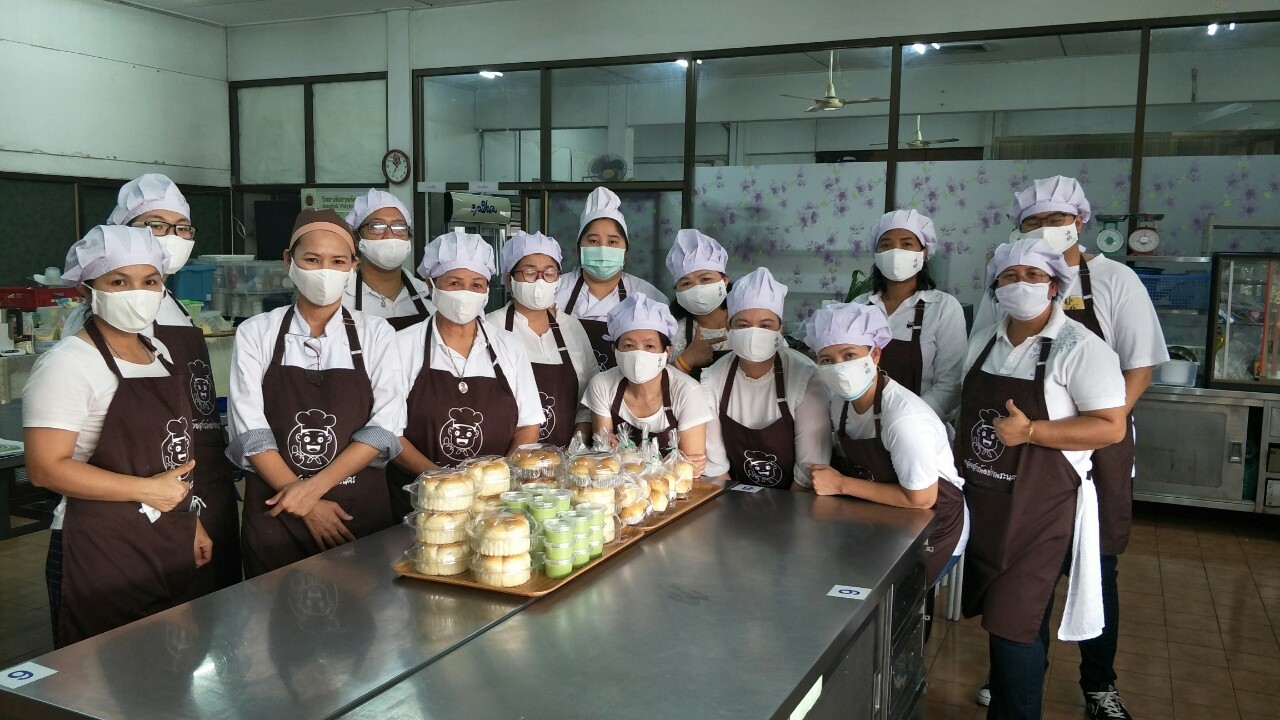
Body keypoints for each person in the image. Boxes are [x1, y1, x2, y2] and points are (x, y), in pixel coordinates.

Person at [999, 176, 1164, 720]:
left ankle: (1099, 683)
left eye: (1055, 219)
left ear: (1080, 221)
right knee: (1024, 564)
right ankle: (1019, 670)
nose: (1045, 229)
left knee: (1095, 567)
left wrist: (1099, 426)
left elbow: (1139, 366)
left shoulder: (1115, 280)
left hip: (1098, 450)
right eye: (1032, 222)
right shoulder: (1011, 288)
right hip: (1023, 448)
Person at [959, 237, 1128, 720]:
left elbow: (1110, 426)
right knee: (1005, 619)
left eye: (1033, 275)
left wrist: (1032, 431)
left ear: (1054, 285)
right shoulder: (984, 340)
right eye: (1009, 276)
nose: (1021, 284)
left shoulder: (1081, 347)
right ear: (996, 288)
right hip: (985, 503)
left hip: (1041, 508)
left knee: (1014, 624)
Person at [25, 225, 210, 646]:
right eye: (119, 282)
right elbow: (44, 469)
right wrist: (146, 491)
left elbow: (170, 456)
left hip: (165, 538)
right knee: (107, 670)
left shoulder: (159, 353)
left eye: (150, 281)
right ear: (87, 290)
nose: (137, 293)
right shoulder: (69, 363)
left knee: (165, 668)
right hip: (100, 547)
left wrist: (190, 522)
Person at [228, 209, 405, 578]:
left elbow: (385, 427)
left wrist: (309, 492)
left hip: (354, 514)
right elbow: (250, 431)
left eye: (337, 261)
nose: (325, 271)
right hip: (279, 514)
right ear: (288, 261)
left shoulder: (377, 334)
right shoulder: (256, 332)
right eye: (312, 259)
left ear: (353, 265)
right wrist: (305, 502)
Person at [106, 174, 242, 594]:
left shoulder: (173, 303)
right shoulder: (114, 311)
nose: (171, 237)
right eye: (155, 225)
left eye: (182, 227)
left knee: (215, 610)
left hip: (205, 477)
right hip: (150, 488)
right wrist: (168, 499)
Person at [802, 302, 967, 587]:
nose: (839, 368)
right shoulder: (841, 401)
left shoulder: (904, 419)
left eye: (849, 355)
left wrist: (841, 484)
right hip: (885, 518)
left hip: (934, 526)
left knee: (892, 604)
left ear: (875, 354)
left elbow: (922, 499)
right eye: (827, 360)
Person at [393, 230, 543, 493]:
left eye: (476, 285)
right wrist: (442, 480)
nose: (466, 293)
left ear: (486, 291)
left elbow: (528, 425)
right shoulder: (401, 346)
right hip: (423, 496)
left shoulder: (509, 346)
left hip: (494, 498)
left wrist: (498, 478)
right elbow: (389, 433)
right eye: (454, 283)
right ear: (431, 284)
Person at [701, 267, 829, 490]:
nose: (754, 333)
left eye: (765, 325)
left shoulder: (805, 377)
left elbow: (808, 472)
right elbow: (716, 468)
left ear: (780, 330)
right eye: (743, 325)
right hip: (733, 495)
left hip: (796, 498)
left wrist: (787, 508)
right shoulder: (712, 378)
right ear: (729, 328)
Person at [485, 230, 597, 447]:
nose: (540, 280)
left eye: (549, 272)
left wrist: (575, 448)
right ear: (509, 278)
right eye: (529, 272)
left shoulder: (572, 328)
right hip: (506, 455)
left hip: (568, 457)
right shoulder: (491, 327)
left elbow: (590, 397)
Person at [852, 210, 966, 423]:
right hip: (862, 426)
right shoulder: (859, 306)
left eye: (906, 244)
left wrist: (906, 421)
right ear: (876, 253)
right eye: (886, 245)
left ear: (924, 252)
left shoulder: (943, 307)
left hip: (919, 426)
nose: (895, 252)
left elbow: (949, 385)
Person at [583, 294, 711, 475]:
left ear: (667, 352)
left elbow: (690, 471)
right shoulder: (602, 385)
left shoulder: (687, 392)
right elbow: (605, 457)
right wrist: (670, 464)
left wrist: (627, 457)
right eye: (629, 346)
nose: (639, 355)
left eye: (650, 346)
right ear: (615, 350)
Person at [555, 187, 667, 372]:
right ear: (579, 248)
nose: (602, 249)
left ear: (626, 251)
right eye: (593, 241)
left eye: (613, 242)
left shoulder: (648, 296)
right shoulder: (555, 290)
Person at [342, 188, 433, 330]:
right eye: (377, 226)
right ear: (356, 236)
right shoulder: (341, 299)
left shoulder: (430, 296)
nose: (389, 235)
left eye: (399, 227)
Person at [665, 229, 732, 380]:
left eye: (705, 279)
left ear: (724, 281)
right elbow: (656, 387)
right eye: (686, 283)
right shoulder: (672, 332)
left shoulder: (749, 321)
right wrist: (685, 362)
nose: (697, 289)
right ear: (677, 292)